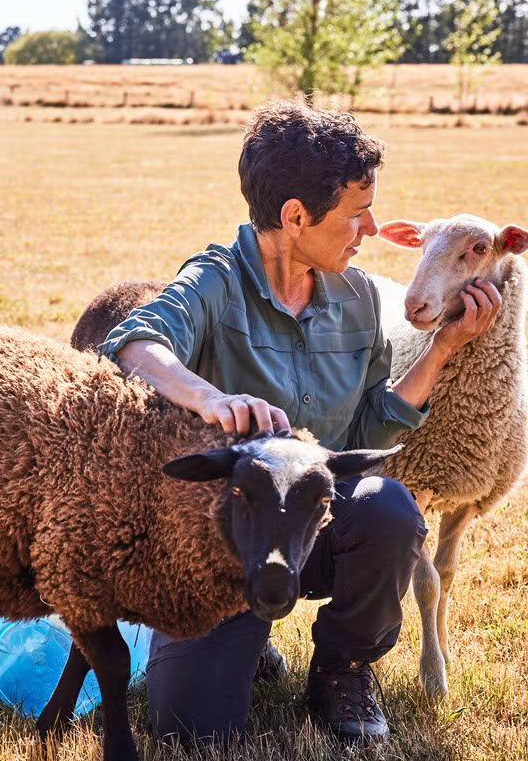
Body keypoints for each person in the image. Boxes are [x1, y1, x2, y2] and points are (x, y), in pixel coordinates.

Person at [95, 100, 501, 744]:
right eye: (354, 213)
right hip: (224, 540)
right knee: (190, 732)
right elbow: (131, 342)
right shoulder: (213, 282)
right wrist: (207, 398)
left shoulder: (361, 295)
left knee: (390, 509)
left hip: (317, 516)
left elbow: (369, 428)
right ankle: (245, 640)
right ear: (294, 217)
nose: (369, 227)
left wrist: (443, 349)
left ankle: (343, 667)